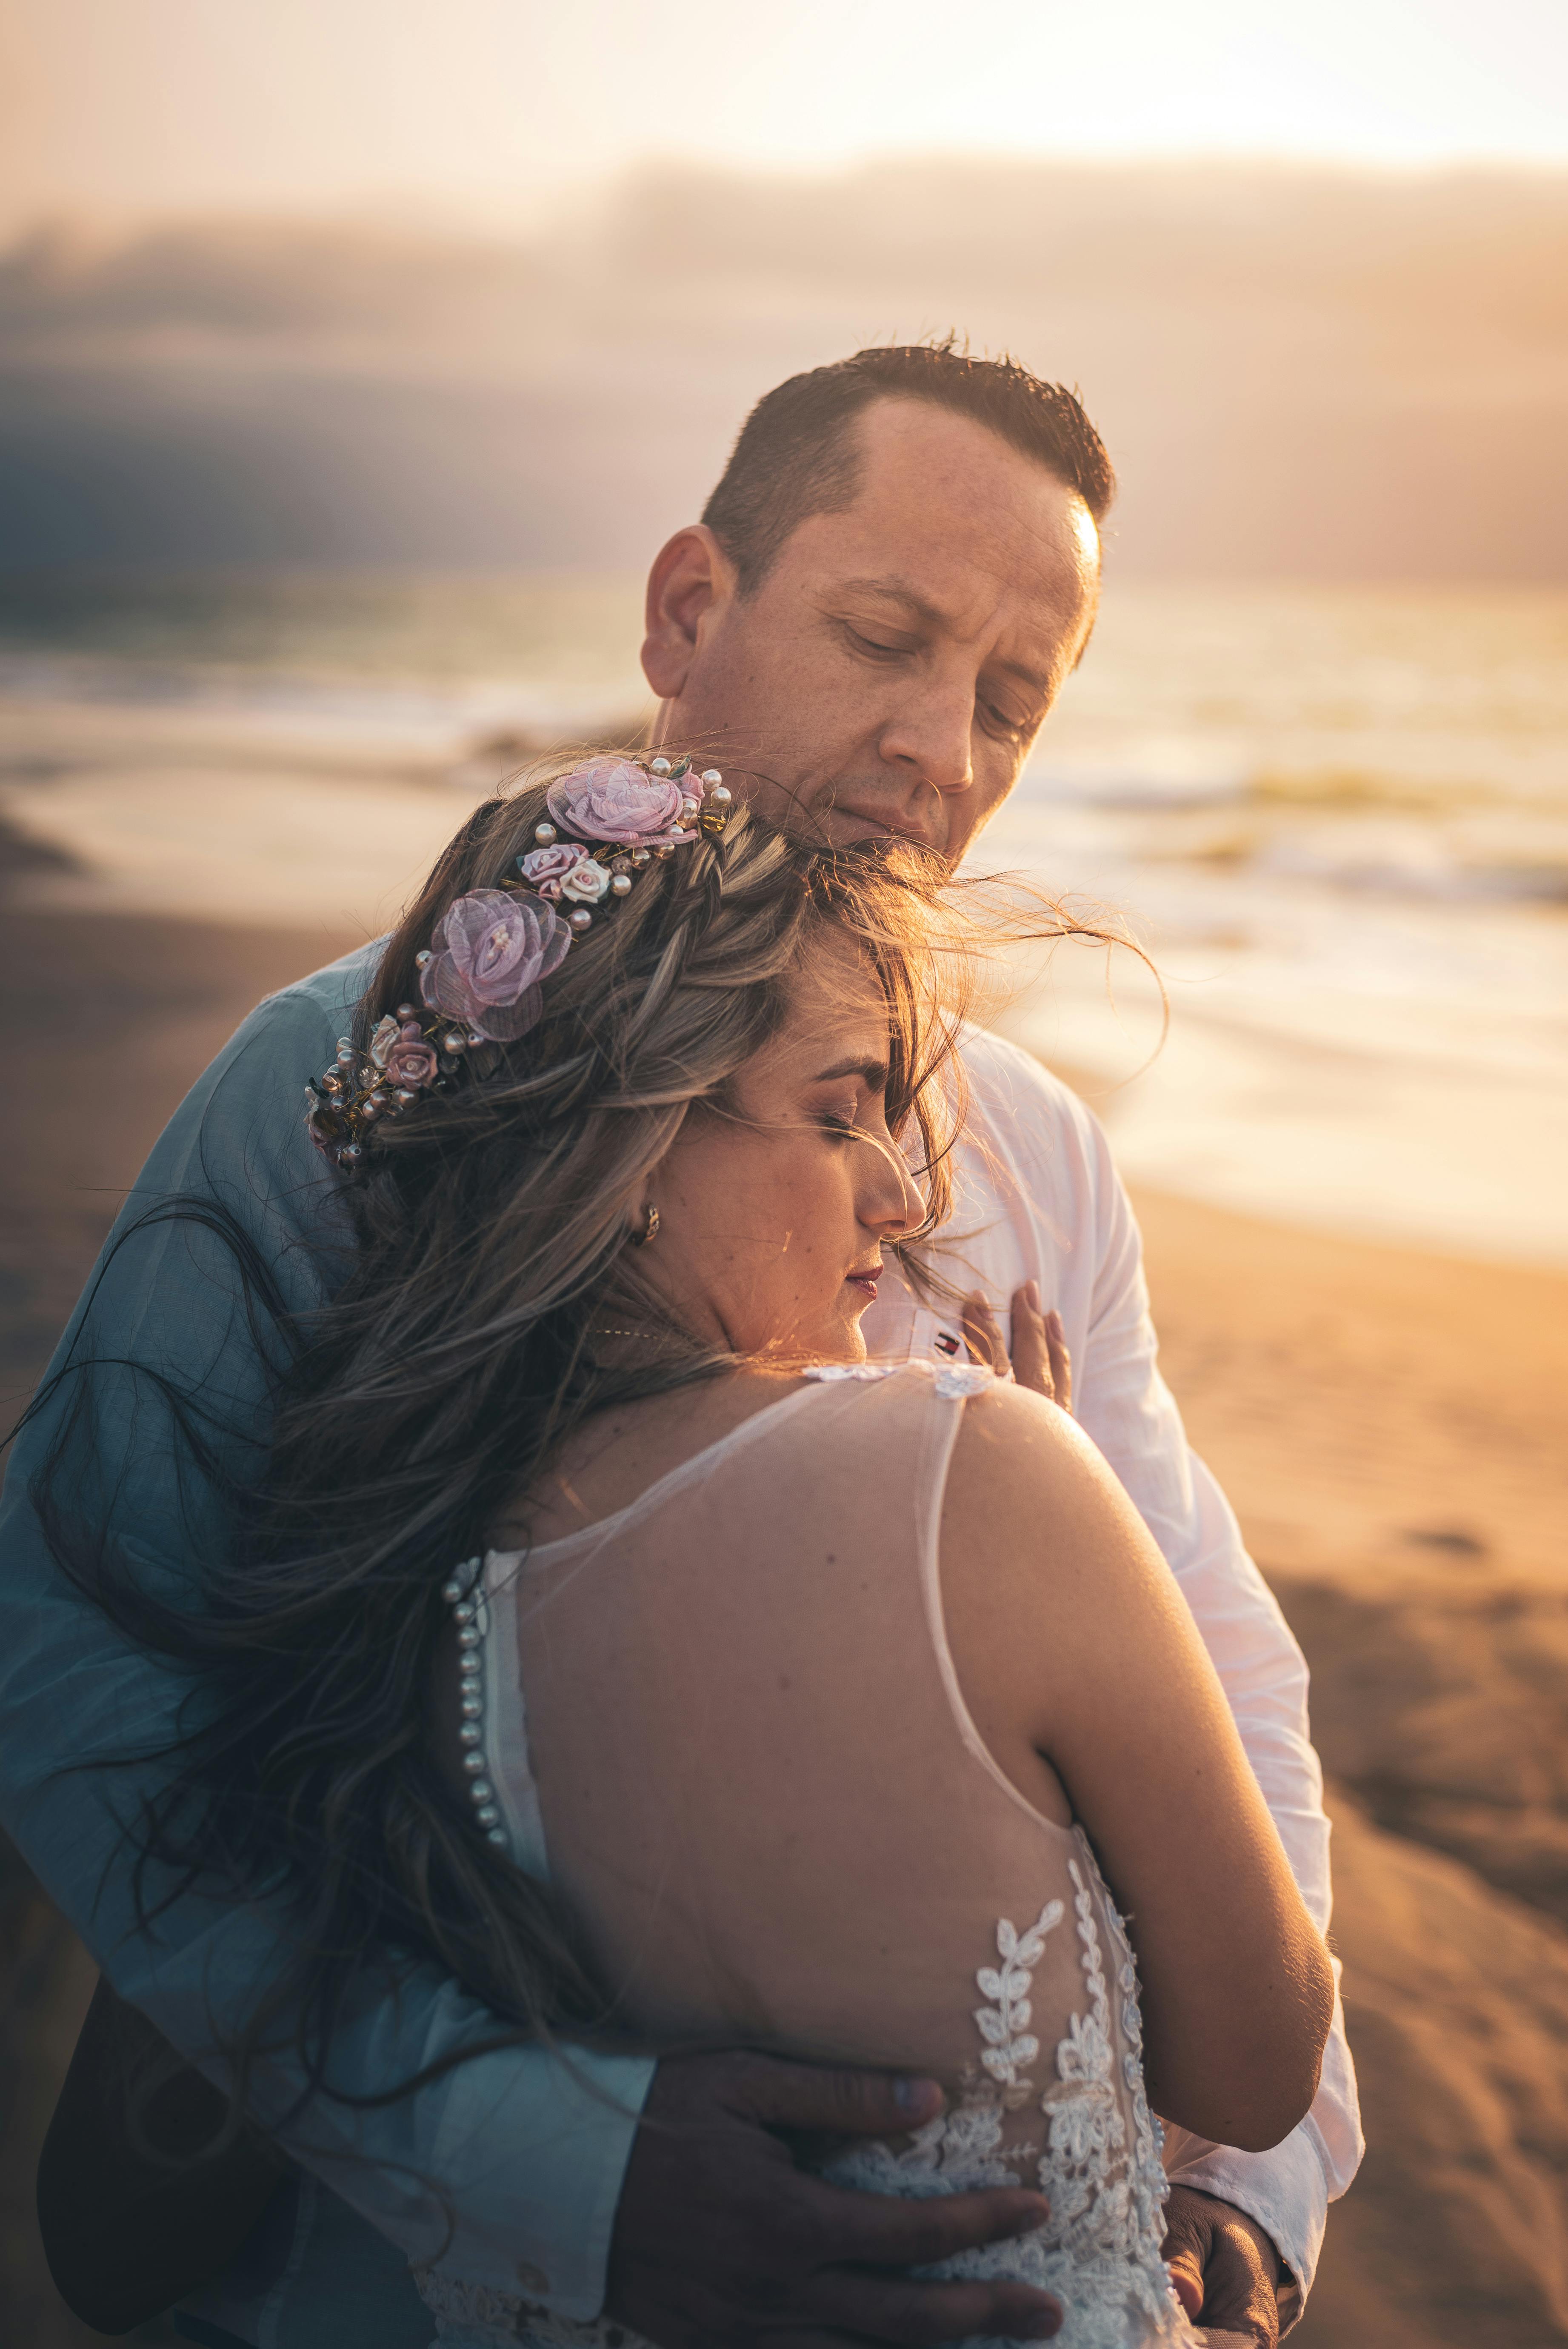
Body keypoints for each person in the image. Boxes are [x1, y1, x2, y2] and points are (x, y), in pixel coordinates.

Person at [3, 344, 1361, 2349]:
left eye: (1010, 702)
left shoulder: (1043, 1160)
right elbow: (82, 1665)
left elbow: (1218, 1662)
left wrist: (1238, 2197)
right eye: (883, 639)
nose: (938, 752)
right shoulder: (342, 1078)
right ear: (686, 612)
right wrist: (554, 2158)